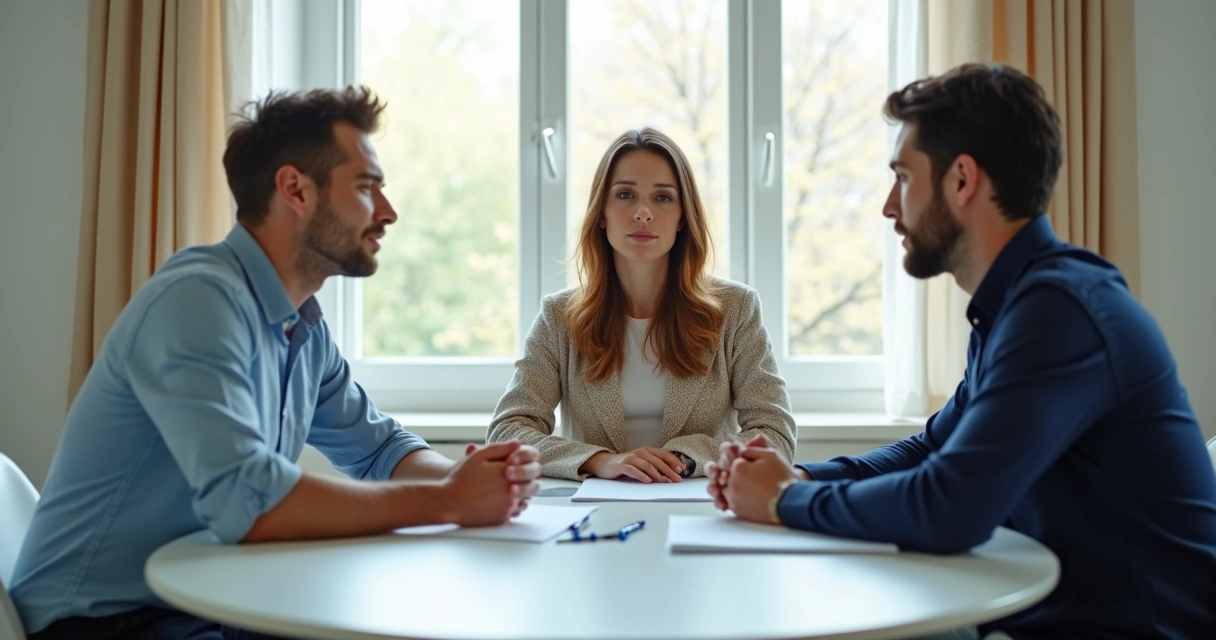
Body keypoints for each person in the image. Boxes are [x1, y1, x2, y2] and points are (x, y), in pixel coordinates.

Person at [10, 86, 541, 640]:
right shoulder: (197, 301)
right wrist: (450, 500)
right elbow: (250, 502)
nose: (388, 212)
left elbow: (380, 449)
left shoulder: (302, 327)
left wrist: (474, 478)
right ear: (295, 190)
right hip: (100, 621)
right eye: (366, 187)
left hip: (206, 600)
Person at [708, 63, 1216, 639]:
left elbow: (948, 508)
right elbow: (933, 449)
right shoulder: (1014, 309)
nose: (889, 206)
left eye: (903, 177)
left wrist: (785, 500)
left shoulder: (1061, 311)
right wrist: (797, 475)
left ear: (962, 180)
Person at [487, 127, 796, 483]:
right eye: (625, 195)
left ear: (683, 217)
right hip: (593, 505)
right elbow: (507, 431)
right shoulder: (559, 316)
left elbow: (774, 433)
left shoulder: (736, 309)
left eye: (663, 197)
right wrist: (599, 461)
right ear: (601, 213)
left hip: (699, 501)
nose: (644, 213)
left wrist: (682, 459)